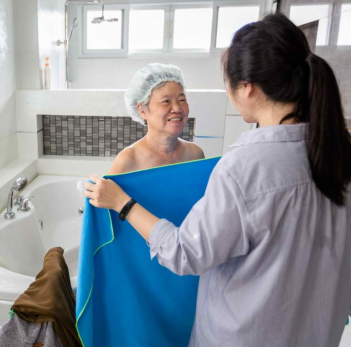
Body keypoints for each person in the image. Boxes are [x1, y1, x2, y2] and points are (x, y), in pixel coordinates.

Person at [84, 13, 351, 347]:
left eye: (181, 98)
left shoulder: (239, 166)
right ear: (143, 109)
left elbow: (186, 252)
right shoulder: (341, 152)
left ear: (248, 88)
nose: (177, 106)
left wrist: (124, 203)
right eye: (165, 100)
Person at [109, 63, 204, 174]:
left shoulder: (195, 155)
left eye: (182, 100)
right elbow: (106, 191)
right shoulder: (128, 160)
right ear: (142, 110)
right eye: (166, 101)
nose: (177, 109)